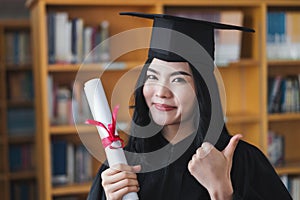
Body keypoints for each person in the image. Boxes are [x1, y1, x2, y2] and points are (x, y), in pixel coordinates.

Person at [87, 12, 292, 200]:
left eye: (178, 80)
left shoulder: (243, 162)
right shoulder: (123, 165)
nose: (161, 92)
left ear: (203, 90)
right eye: (152, 77)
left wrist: (222, 191)